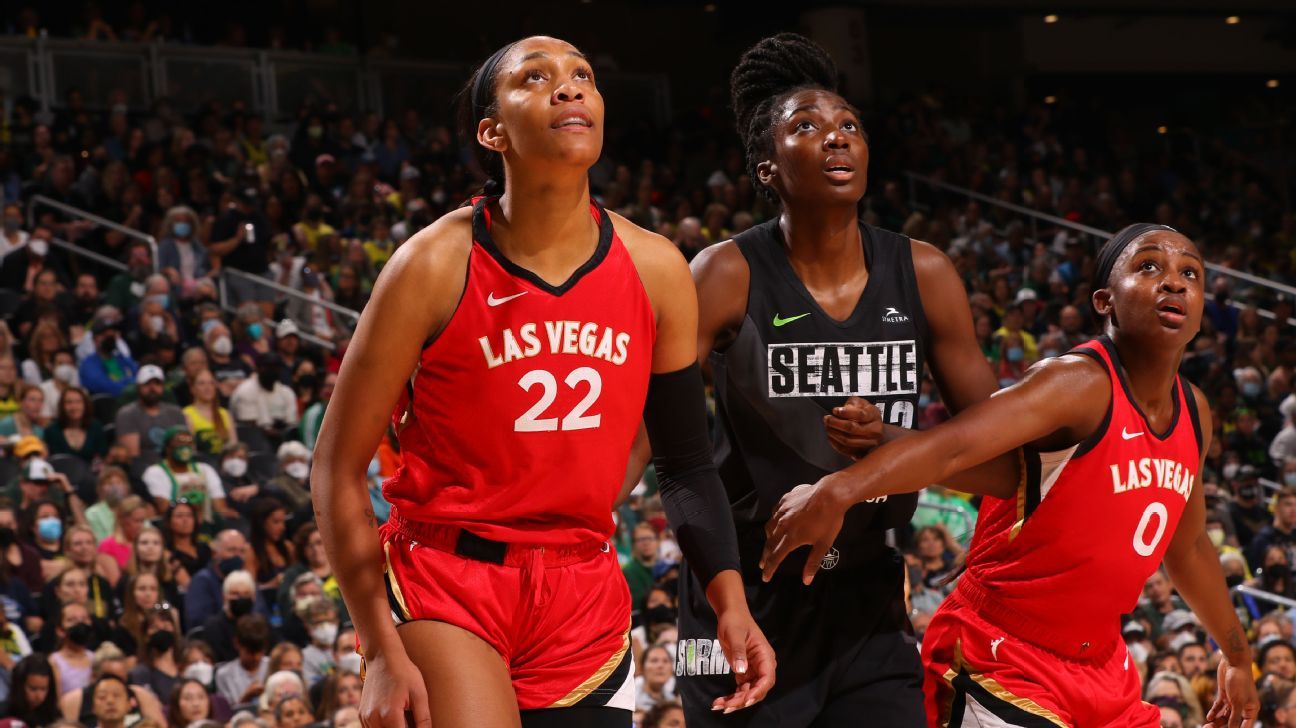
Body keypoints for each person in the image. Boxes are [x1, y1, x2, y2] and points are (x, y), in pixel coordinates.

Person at [312, 35, 771, 728]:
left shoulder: (657, 269)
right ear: (492, 131)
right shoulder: (431, 264)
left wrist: (729, 602)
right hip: (450, 579)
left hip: (582, 587)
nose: (568, 86)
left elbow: (684, 462)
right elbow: (336, 466)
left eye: (582, 74)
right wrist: (377, 647)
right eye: (534, 77)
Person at [761, 224, 1260, 726]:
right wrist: (839, 489)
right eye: (1148, 265)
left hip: (1104, 666)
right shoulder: (1076, 383)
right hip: (1003, 652)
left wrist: (1237, 654)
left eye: (1190, 273)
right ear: (1104, 301)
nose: (1173, 281)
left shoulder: (1195, 412)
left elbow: (1188, 546)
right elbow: (953, 447)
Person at [660, 32, 1015, 727]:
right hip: (741, 590)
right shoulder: (723, 273)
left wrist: (890, 443)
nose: (836, 136)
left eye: (849, 124)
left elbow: (1002, 463)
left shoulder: (925, 272)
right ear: (766, 168)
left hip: (867, 598)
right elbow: (661, 441)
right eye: (806, 126)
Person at [141, 427, 232, 522]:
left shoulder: (205, 469)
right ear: (167, 448)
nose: (185, 447)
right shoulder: (155, 472)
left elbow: (220, 508)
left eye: (189, 443)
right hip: (175, 524)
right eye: (180, 443)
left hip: (206, 524)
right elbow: (164, 509)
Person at [113, 365, 186, 458]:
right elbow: (133, 456)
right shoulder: (127, 414)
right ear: (138, 387)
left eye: (157, 383)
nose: (152, 388)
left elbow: (184, 447)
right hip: (143, 464)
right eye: (147, 383)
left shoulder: (175, 412)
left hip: (174, 463)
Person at [43, 386, 108, 464]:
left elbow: (102, 457)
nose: (74, 407)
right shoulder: (51, 431)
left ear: (85, 405)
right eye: (69, 402)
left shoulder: (96, 427)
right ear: (62, 406)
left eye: (78, 402)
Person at [8, 653, 61, 727]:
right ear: (19, 686)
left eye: (43, 689)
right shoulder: (4, 714)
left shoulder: (54, 716)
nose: (39, 696)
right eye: (33, 689)